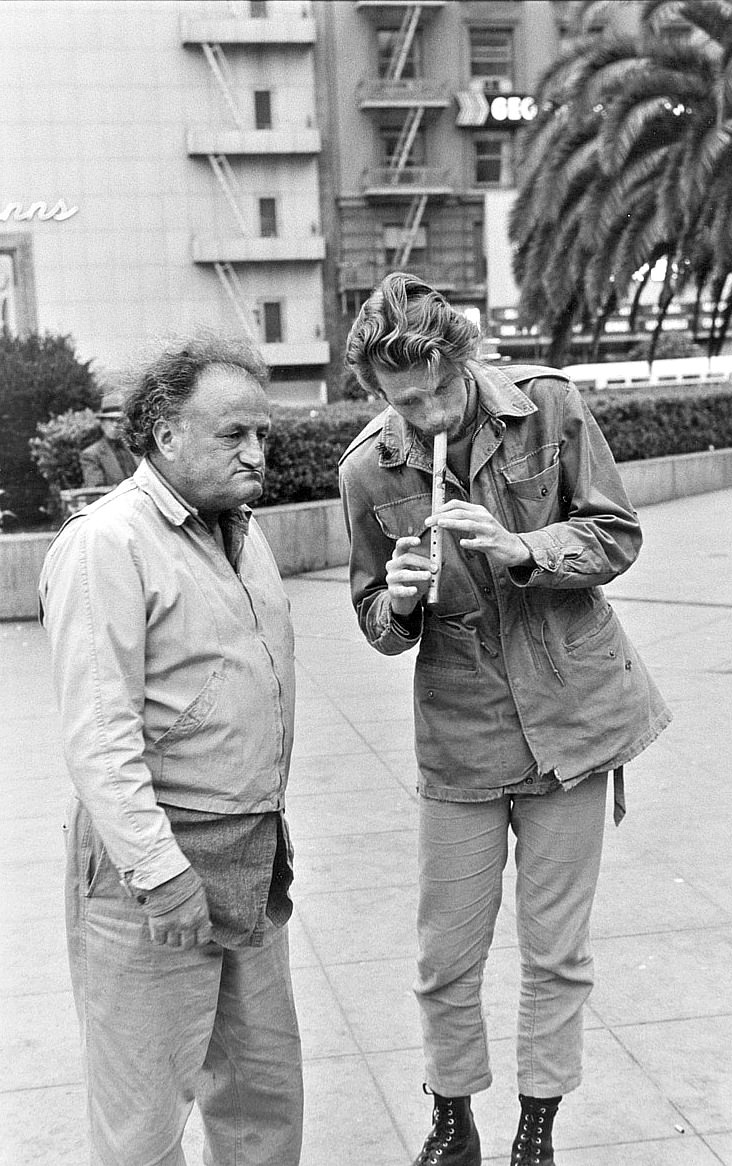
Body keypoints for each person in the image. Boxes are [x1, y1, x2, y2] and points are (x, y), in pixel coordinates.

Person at [339, 272, 671, 1166]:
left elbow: (615, 533)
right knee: (445, 953)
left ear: (464, 359)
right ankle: (452, 1120)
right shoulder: (369, 468)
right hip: (462, 728)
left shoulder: (549, 407)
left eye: (438, 392)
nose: (427, 417)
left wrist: (525, 547)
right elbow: (374, 616)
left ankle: (538, 1127)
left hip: (573, 715)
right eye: (402, 403)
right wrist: (398, 603)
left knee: (556, 951)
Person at [39, 336, 303, 1166]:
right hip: (152, 869)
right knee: (143, 1121)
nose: (256, 453)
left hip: (251, 855)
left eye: (261, 434)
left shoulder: (241, 530)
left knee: (262, 1101)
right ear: (161, 435)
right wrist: (160, 875)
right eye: (232, 435)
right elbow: (99, 736)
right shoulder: (105, 544)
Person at [79, 389, 140, 486]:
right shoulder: (91, 455)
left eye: (119, 420)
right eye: (111, 420)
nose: (115, 424)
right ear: (102, 423)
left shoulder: (135, 449)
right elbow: (96, 493)